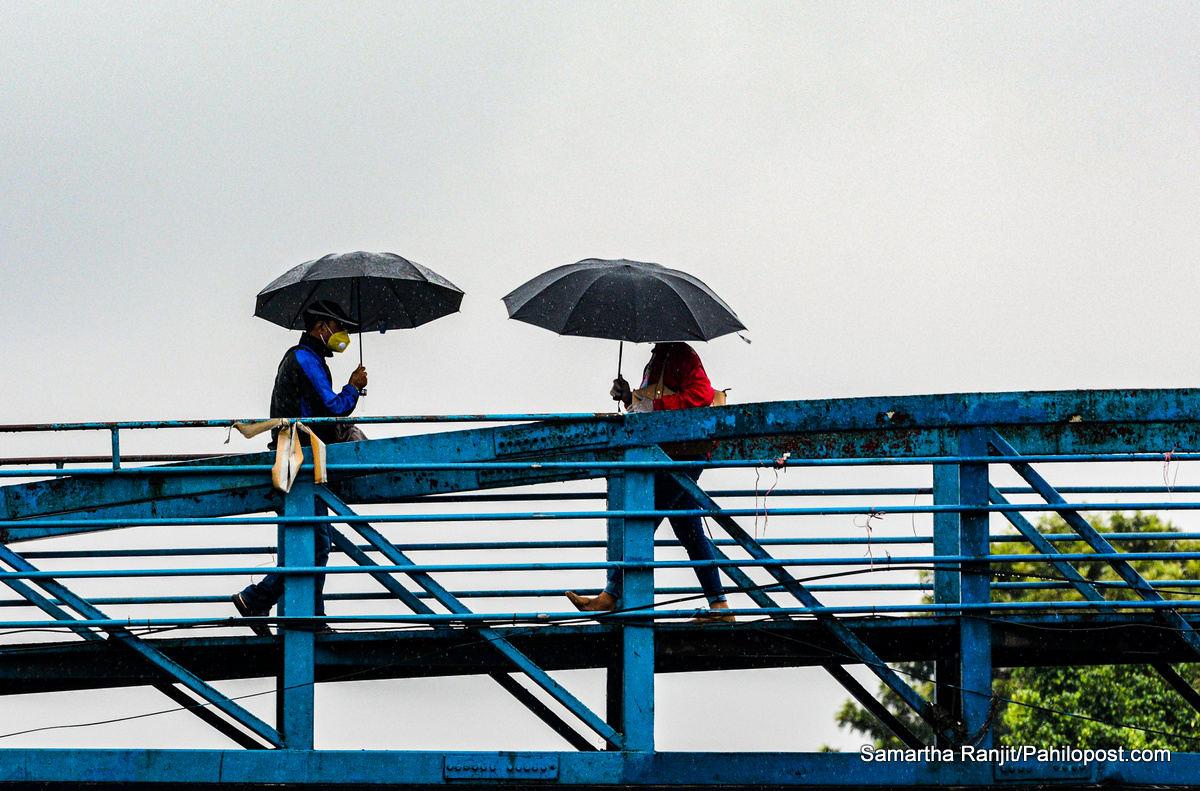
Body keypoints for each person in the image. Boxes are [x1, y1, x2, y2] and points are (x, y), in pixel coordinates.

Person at [566, 342, 733, 623]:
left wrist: (651, 405)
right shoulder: (658, 358)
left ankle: (610, 595)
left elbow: (701, 395)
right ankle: (720, 607)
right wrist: (629, 397)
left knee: (644, 520)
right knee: (690, 531)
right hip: (675, 453)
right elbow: (650, 410)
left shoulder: (681, 354)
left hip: (683, 454)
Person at [232, 300, 368, 635]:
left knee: (313, 542)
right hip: (300, 460)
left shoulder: (309, 358)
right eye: (340, 329)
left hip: (298, 456)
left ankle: (301, 614)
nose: (343, 336)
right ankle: (261, 599)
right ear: (322, 327)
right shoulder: (305, 358)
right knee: (317, 544)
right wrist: (353, 387)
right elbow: (333, 408)